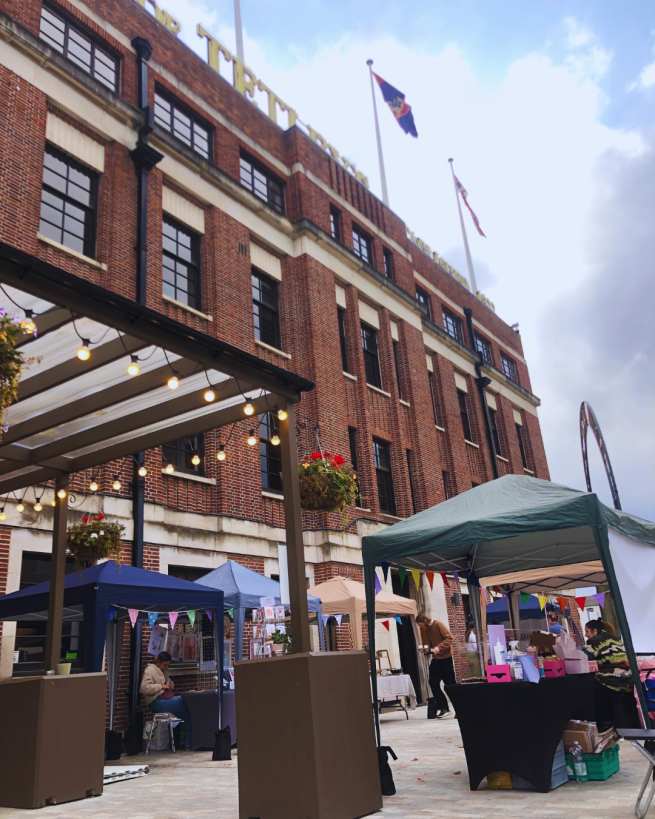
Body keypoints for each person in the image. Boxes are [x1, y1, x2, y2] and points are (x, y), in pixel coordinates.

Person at [582, 617, 639, 731]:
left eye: (587, 631)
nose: (585, 635)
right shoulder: (617, 640)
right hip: (630, 681)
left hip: (612, 682)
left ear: (595, 631)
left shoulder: (594, 642)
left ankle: (604, 724)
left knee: (586, 691)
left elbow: (581, 658)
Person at [140, 651, 193, 749]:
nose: (166, 667)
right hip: (156, 701)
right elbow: (144, 688)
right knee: (185, 701)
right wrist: (162, 686)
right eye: (165, 665)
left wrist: (171, 684)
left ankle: (188, 744)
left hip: (165, 699)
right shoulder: (150, 670)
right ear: (158, 662)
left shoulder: (164, 671)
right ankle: (188, 743)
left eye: (168, 665)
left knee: (188, 715)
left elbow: (168, 681)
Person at [416, 613, 454, 718]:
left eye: (420, 625)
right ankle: (444, 708)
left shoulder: (438, 624)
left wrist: (439, 647)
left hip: (446, 658)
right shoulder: (427, 630)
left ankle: (459, 709)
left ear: (424, 621)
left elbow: (450, 638)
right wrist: (427, 650)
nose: (420, 627)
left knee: (450, 685)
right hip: (436, 659)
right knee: (433, 682)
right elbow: (431, 644)